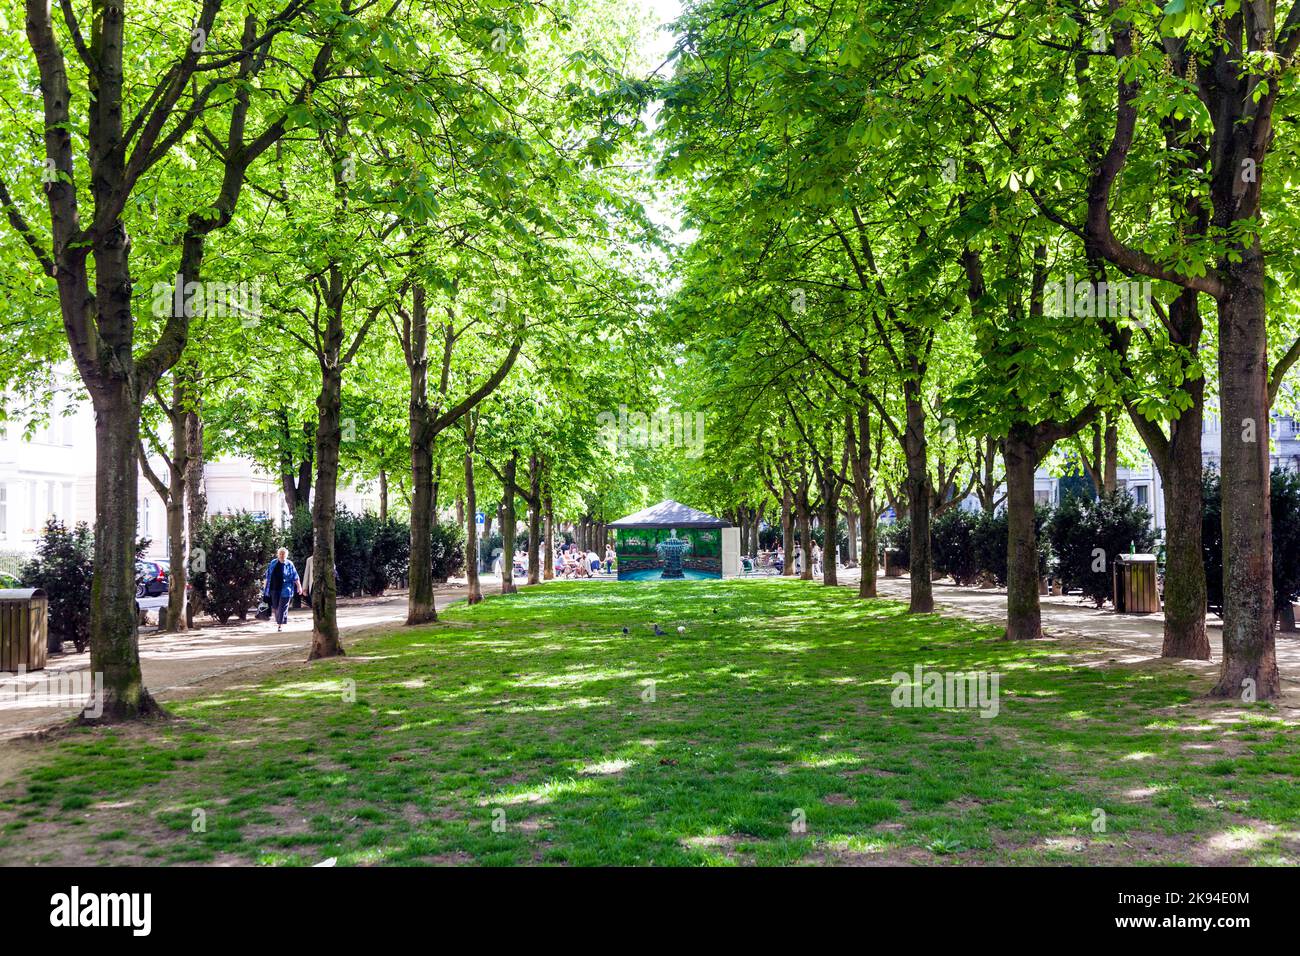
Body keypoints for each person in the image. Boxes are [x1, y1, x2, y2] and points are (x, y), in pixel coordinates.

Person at [264, 548, 303, 632]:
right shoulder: (273, 563)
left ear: (286, 555)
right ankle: (279, 620)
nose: (282, 555)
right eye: (280, 554)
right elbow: (267, 576)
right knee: (275, 606)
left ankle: (280, 624)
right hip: (273, 588)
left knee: (282, 607)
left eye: (284, 554)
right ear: (278, 554)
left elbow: (295, 576)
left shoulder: (289, 564)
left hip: (286, 589)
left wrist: (299, 587)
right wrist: (265, 587)